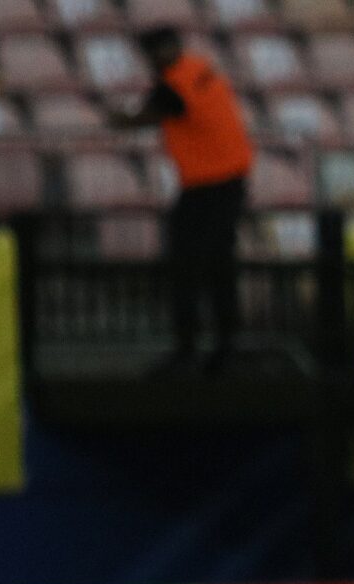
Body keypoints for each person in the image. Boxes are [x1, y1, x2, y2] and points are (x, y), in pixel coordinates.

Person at [106, 26, 252, 376]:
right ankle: (223, 348)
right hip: (228, 180)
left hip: (208, 186)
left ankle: (191, 350)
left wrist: (117, 117)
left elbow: (142, 118)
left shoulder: (173, 84)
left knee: (189, 266)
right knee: (219, 265)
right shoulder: (199, 67)